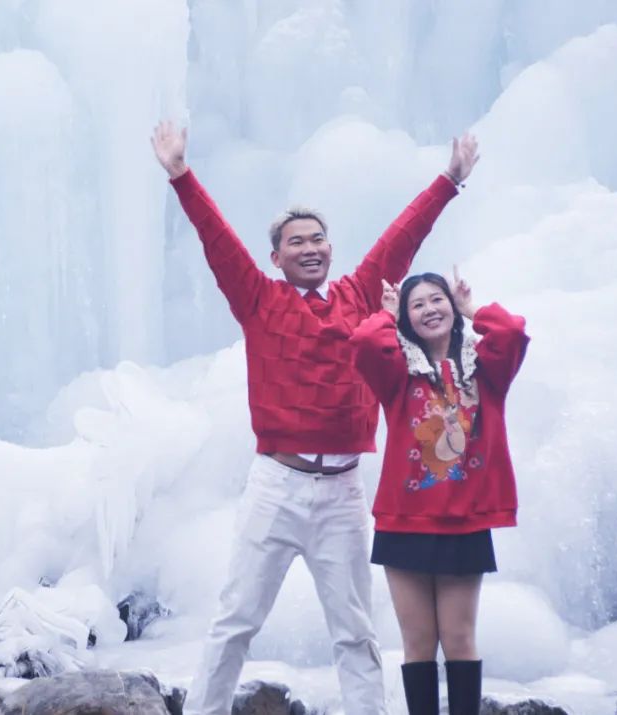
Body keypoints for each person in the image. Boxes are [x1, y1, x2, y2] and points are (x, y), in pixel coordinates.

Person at [150, 120, 479, 715]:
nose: (310, 248)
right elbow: (217, 239)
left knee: (354, 630)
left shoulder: (360, 294)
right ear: (276, 257)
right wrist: (180, 174)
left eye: (318, 239)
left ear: (330, 249)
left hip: (342, 492)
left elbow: (402, 237)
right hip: (276, 486)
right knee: (235, 620)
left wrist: (450, 180)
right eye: (296, 242)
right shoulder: (258, 298)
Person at [348, 270, 529, 715]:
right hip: (403, 521)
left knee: (460, 638)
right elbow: (365, 342)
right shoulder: (398, 374)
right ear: (406, 318)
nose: (429, 309)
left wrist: (472, 308)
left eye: (437, 299)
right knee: (418, 643)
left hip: (465, 522)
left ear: (452, 306)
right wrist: (387, 314)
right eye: (417, 304)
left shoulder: (486, 370)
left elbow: (511, 331)